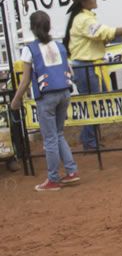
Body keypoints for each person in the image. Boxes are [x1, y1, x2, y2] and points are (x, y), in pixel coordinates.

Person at [10, 11, 81, 191]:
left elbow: (25, 80)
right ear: (49, 26)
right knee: (58, 134)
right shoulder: (59, 46)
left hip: (46, 96)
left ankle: (53, 178)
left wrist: (16, 100)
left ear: (32, 28)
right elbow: (70, 71)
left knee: (50, 138)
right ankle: (71, 171)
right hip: (64, 92)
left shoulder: (30, 50)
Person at [65, 0, 122, 151]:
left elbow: (101, 35)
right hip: (86, 66)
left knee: (93, 103)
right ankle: (89, 141)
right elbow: (104, 33)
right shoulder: (84, 19)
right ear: (84, 2)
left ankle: (89, 138)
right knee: (93, 104)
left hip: (86, 66)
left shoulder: (82, 18)